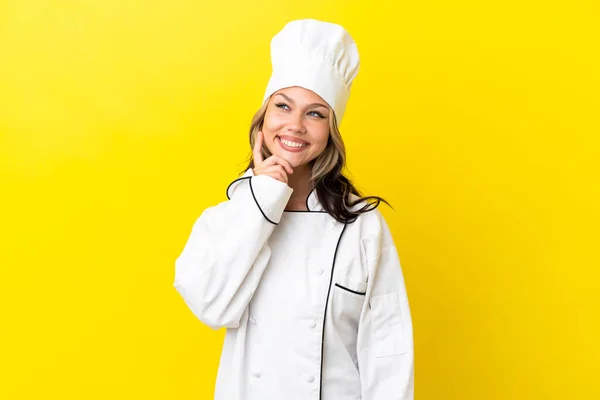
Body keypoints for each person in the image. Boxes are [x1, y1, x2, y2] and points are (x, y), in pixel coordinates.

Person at [173, 18, 414, 400]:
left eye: (315, 113)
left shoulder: (362, 225)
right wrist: (264, 198)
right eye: (283, 107)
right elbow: (211, 307)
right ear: (263, 121)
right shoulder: (228, 218)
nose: (295, 125)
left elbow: (387, 348)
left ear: (331, 130)